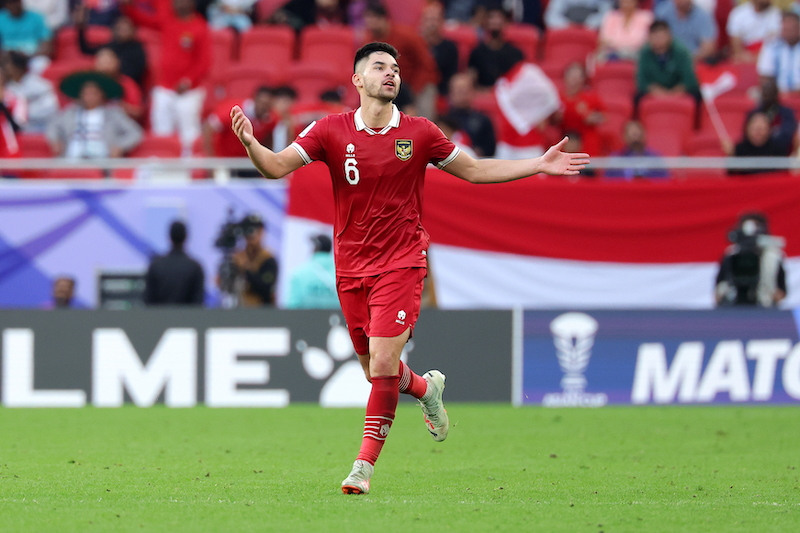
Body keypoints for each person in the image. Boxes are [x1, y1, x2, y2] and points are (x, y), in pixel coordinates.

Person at [229, 41, 588, 494]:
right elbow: (275, 167)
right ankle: (424, 389)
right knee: (375, 371)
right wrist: (251, 143)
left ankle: (362, 467)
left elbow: (475, 171)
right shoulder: (329, 130)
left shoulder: (419, 133)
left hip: (401, 261)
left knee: (382, 363)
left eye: (395, 68)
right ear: (358, 80)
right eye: (380, 66)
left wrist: (538, 163)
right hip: (351, 268)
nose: (391, 73)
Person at [121, 0, 211, 154]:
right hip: (164, 87)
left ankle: (191, 165)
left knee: (189, 132)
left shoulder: (200, 26)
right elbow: (144, 20)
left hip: (189, 91)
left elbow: (205, 62)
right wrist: (128, 6)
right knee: (161, 130)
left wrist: (189, 81)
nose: (176, 4)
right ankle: (162, 162)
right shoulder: (168, 20)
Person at [363, 1, 439, 119]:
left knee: (422, 118)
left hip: (418, 84)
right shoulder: (369, 41)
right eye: (369, 18)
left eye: (375, 18)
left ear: (385, 19)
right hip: (392, 88)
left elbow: (426, 63)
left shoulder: (406, 35)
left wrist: (415, 89)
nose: (372, 23)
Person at [46, 72, 143, 158]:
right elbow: (52, 126)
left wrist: (119, 146)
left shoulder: (114, 113)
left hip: (103, 157)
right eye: (86, 93)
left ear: (102, 95)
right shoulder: (70, 112)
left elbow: (135, 132)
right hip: (72, 157)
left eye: (94, 93)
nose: (90, 97)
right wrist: (55, 141)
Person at [715, 212, 787, 307]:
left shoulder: (773, 256)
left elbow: (782, 291)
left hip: (764, 304)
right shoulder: (731, 254)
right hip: (733, 303)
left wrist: (772, 294)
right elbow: (718, 285)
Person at [75, 7, 148, 87]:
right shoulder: (111, 45)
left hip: (126, 84)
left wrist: (115, 70)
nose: (123, 31)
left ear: (132, 30)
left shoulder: (137, 48)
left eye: (126, 28)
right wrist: (81, 27)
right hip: (106, 82)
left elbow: (138, 70)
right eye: (120, 28)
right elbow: (86, 50)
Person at [635, 20, 700, 107]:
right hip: (655, 90)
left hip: (678, 88)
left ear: (669, 36)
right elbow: (642, 81)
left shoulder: (681, 51)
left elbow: (689, 80)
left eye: (661, 36)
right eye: (655, 36)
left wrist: (673, 93)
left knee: (697, 95)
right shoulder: (644, 53)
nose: (658, 40)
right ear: (649, 38)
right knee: (637, 98)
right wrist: (658, 92)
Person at [144, 221, 205, 306]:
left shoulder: (155, 266)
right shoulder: (195, 268)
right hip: (186, 315)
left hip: (160, 314)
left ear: (169, 237)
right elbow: (198, 304)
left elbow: (148, 301)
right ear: (186, 237)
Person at [467, 4, 524, 88]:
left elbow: (520, 80)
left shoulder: (516, 53)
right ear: (485, 22)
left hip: (507, 93)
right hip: (484, 93)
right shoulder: (477, 52)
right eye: (491, 17)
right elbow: (472, 77)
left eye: (499, 17)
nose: (495, 21)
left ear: (506, 23)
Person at [2, 50, 58, 133]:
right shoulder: (8, 88)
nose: (5, 68)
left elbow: (51, 108)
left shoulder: (39, 85)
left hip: (41, 128)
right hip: (18, 131)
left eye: (7, 63)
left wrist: (22, 112)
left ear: (18, 66)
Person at [558, 63, 605, 157]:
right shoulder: (558, 99)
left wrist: (590, 115)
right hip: (564, 144)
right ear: (565, 78)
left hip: (587, 146)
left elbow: (604, 118)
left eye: (578, 77)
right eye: (572, 76)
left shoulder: (591, 97)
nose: (574, 80)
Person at [231, 214, 278, 307]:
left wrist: (245, 268)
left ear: (262, 232)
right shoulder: (237, 257)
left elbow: (265, 288)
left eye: (255, 230)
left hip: (262, 311)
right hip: (240, 309)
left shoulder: (268, 259)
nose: (251, 235)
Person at [445, 72, 496, 157]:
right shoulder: (442, 121)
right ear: (450, 92)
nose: (461, 94)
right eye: (458, 90)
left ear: (473, 91)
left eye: (465, 90)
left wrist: (475, 153)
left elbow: (490, 149)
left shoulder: (483, 120)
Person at [286, 234, 340, 309]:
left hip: (306, 316)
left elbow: (293, 307)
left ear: (316, 248)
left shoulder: (299, 273)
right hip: (336, 316)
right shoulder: (341, 274)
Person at [604, 120, 669, 179]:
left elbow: (665, 182)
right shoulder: (615, 160)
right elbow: (607, 184)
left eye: (638, 134)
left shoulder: (655, 159)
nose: (635, 135)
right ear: (623, 137)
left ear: (644, 135)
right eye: (632, 134)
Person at [746, 78, 796, 155]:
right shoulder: (754, 113)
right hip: (755, 152)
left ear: (776, 94)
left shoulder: (786, 113)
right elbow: (747, 134)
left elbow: (786, 135)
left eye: (770, 93)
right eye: (765, 93)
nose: (767, 97)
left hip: (779, 153)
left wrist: (765, 136)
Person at [419, 0, 459, 97]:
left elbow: (451, 76)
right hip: (417, 90)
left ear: (442, 22)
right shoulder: (415, 45)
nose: (431, 24)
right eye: (428, 20)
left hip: (441, 91)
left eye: (434, 20)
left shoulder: (450, 48)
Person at [0, 0, 53, 72]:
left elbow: (46, 42)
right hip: (7, 57)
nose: (14, 5)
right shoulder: (1, 18)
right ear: (6, 5)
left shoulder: (36, 17)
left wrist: (30, 56)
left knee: (40, 64)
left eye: (16, 2)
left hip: (33, 57)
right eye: (10, 2)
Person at [94, 47, 143, 120]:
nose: (105, 67)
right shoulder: (90, 85)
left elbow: (137, 112)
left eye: (108, 62)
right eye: (102, 63)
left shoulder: (127, 83)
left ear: (117, 63)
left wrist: (118, 106)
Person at [757, 12, 800, 94]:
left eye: (792, 29)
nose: (789, 33)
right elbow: (765, 75)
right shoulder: (772, 46)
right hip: (779, 94)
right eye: (786, 29)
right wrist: (775, 93)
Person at [544, 0, 613, 30]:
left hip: (592, 31)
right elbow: (550, 17)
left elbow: (608, 15)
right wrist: (568, 25)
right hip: (567, 31)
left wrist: (588, 25)